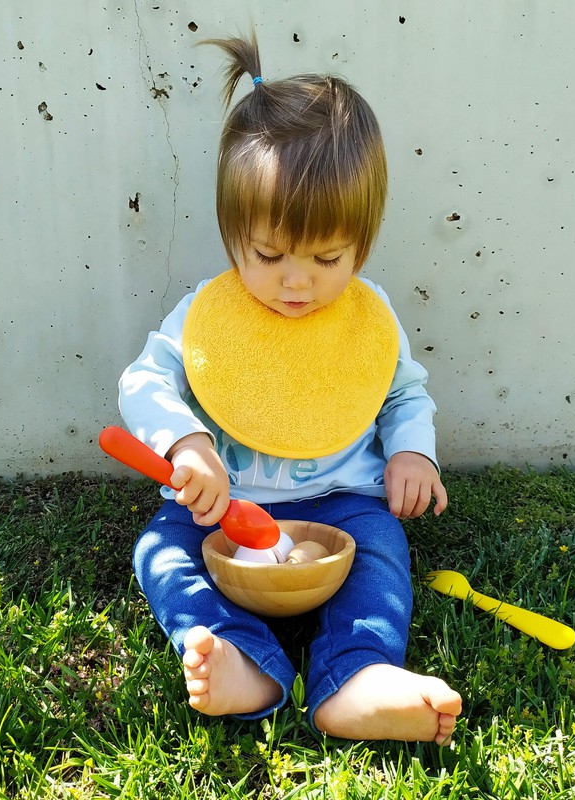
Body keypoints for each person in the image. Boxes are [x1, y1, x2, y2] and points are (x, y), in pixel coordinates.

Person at [118, 32, 462, 743]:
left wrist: (412, 454)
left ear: (361, 243)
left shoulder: (370, 319)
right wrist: (186, 444)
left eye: (327, 257)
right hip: (222, 507)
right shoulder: (207, 316)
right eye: (269, 255)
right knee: (159, 553)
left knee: (382, 555)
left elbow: (403, 395)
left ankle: (359, 675)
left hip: (342, 502)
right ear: (232, 233)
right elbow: (145, 378)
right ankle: (240, 658)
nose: (296, 281)